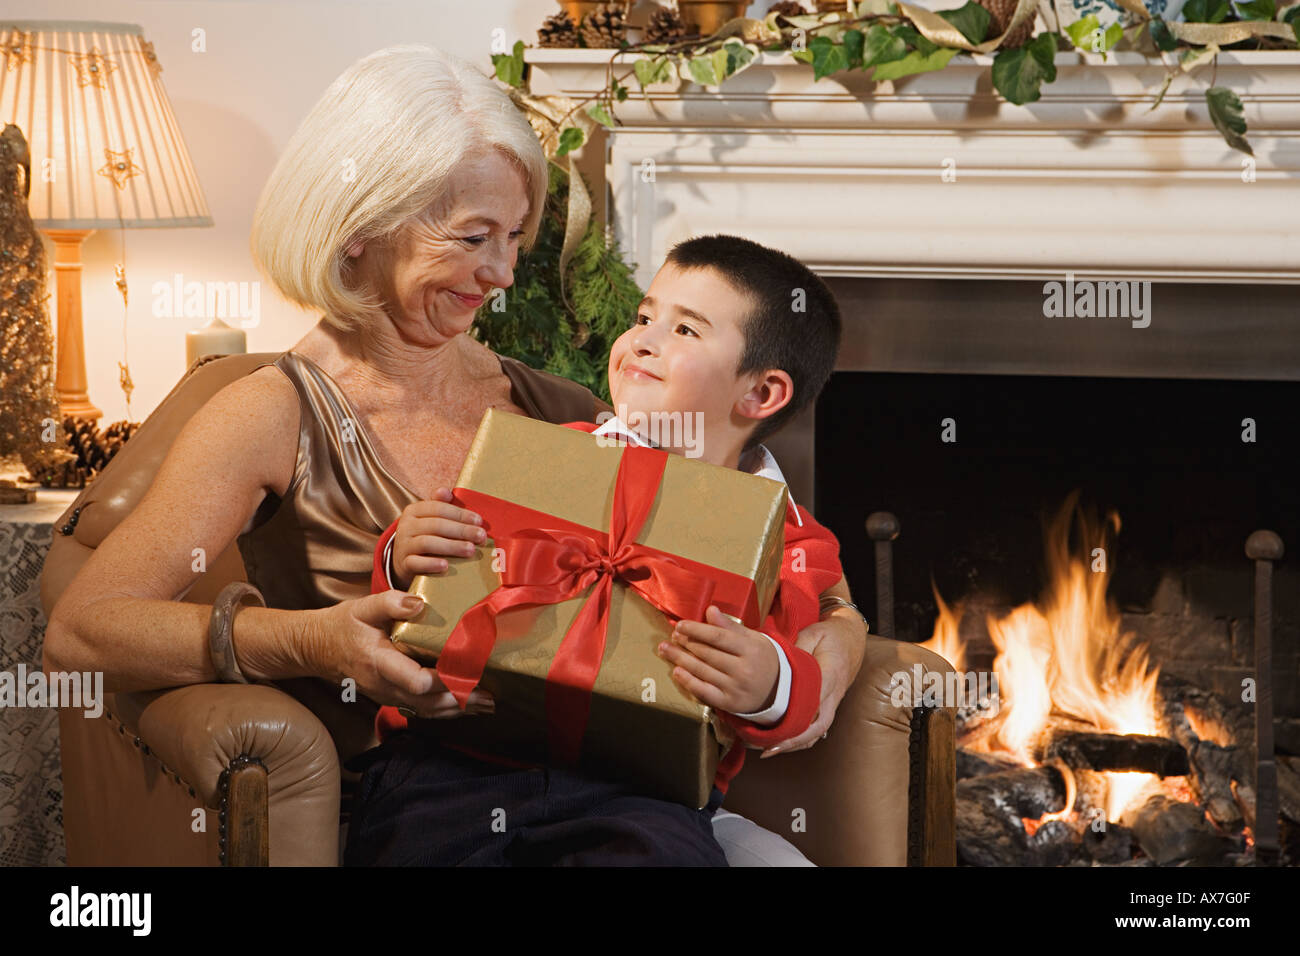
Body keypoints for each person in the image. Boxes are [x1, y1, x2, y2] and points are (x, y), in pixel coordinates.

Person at [42, 44, 866, 866]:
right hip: (430, 791)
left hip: (617, 793)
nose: (503, 272)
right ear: (362, 223)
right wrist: (312, 641)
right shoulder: (269, 411)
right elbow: (82, 631)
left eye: (514, 237)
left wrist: (809, 679)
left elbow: (793, 574)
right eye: (474, 237)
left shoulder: (559, 410)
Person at [349, 235, 846, 866]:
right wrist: (403, 550)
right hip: (455, 764)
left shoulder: (792, 540)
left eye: (686, 331)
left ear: (760, 395)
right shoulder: (547, 453)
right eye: (644, 318)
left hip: (641, 795)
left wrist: (768, 685)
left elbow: (806, 674)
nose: (642, 338)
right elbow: (443, 564)